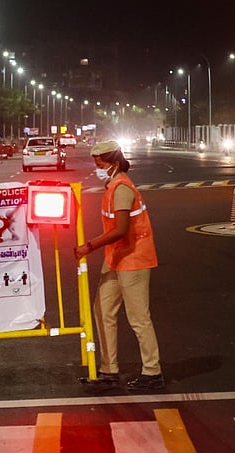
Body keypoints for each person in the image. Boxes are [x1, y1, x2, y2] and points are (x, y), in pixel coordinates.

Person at [73, 140, 164, 391]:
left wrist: (89, 246)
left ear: (113, 162)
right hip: (115, 258)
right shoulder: (112, 184)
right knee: (103, 311)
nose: (96, 166)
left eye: (99, 162)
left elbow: (121, 230)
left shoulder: (122, 187)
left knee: (138, 318)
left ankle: (152, 371)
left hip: (134, 258)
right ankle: (109, 369)